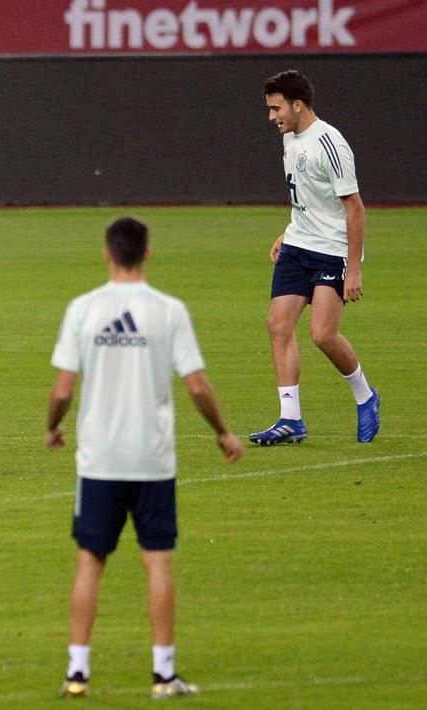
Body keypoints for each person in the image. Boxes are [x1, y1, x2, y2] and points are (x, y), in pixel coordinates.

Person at [45, 217, 245, 699]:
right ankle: (163, 675)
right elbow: (196, 385)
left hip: (99, 460)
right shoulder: (168, 311)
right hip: (152, 460)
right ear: (148, 253)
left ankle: (77, 674)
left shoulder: (83, 309)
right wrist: (222, 432)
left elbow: (63, 389)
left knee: (90, 562)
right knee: (157, 562)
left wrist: (52, 426)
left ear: (107, 253)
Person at [251, 70, 379, 446]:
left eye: (276, 108)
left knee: (322, 334)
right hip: (298, 245)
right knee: (278, 325)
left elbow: (355, 208)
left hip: (332, 251)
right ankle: (290, 419)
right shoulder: (289, 137)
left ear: (298, 105)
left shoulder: (330, 144)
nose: (272, 116)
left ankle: (365, 396)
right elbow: (306, 195)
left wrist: (353, 268)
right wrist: (288, 232)